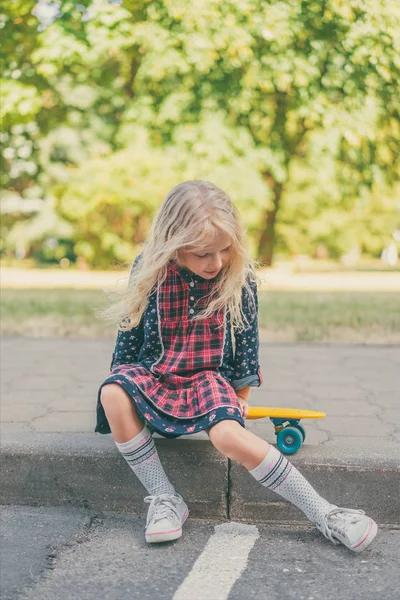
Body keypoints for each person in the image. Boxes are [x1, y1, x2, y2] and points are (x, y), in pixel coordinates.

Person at [96, 180, 377, 551]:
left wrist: (241, 393)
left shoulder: (238, 277)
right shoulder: (148, 269)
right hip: (155, 374)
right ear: (174, 244)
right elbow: (128, 333)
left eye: (225, 250)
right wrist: (125, 387)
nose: (216, 262)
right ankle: (166, 499)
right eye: (202, 254)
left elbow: (246, 340)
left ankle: (325, 513)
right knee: (112, 393)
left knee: (228, 436)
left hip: (207, 379)